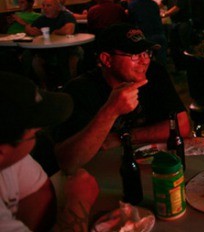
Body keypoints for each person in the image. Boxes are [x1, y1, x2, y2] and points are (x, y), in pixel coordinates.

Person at [53, 23, 192, 175]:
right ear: (106, 59)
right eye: (134, 54)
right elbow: (68, 162)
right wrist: (111, 110)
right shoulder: (79, 90)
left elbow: (182, 125)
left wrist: (123, 137)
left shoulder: (155, 73)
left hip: (151, 169)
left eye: (146, 52)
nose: (145, 60)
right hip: (100, 175)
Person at [0, 71, 98, 232]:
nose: (39, 130)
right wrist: (79, 201)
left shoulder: (12, 156)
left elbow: (40, 195)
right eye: (33, 132)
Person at [25, 0, 81, 88]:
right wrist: (29, 29)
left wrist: (55, 32)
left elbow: (68, 30)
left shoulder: (66, 16)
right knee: (32, 58)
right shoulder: (42, 19)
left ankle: (71, 86)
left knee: (70, 57)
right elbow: (29, 27)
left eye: (48, 6)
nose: (45, 8)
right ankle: (44, 86)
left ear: (58, 8)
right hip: (49, 49)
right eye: (43, 6)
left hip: (69, 47)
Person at [128, 0, 168, 66]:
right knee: (161, 59)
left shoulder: (132, 5)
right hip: (159, 33)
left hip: (145, 35)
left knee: (146, 60)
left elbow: (131, 22)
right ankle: (163, 74)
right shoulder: (153, 3)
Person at [161, 0, 192, 70]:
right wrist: (152, 9)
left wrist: (164, 15)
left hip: (183, 22)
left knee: (184, 46)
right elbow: (161, 4)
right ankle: (178, 67)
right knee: (174, 46)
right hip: (174, 23)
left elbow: (177, 8)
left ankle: (189, 67)